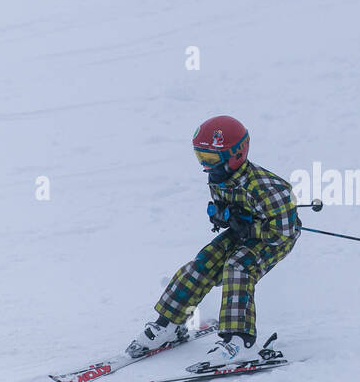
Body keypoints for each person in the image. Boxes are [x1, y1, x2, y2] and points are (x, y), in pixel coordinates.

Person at [127, 115, 301, 366]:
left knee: (238, 267)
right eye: (201, 158)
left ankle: (240, 341)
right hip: (245, 231)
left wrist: (250, 228)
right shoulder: (219, 177)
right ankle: (168, 325)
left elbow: (282, 232)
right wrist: (224, 216)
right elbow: (227, 206)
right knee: (202, 265)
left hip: (274, 238)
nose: (206, 166)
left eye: (210, 159)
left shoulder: (269, 188)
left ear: (237, 154)